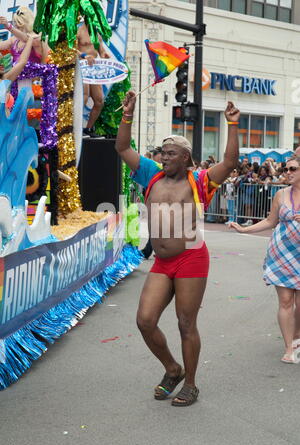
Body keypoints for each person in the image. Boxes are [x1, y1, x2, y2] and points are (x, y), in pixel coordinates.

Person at [115, 91, 240, 407]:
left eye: (170, 153)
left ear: (185, 157)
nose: (164, 157)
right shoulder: (150, 174)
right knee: (145, 320)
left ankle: (192, 384)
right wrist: (127, 114)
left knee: (186, 324)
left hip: (191, 257)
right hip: (162, 261)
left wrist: (233, 124)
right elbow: (122, 147)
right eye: (162, 153)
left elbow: (230, 162)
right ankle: (173, 368)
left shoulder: (200, 180)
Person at [229, 155, 300, 364]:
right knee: (286, 301)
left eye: (293, 169)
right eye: (286, 169)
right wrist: (243, 228)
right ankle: (289, 347)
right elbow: (270, 221)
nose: (287, 172)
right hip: (282, 253)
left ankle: (297, 336)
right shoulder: (281, 194)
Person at [77, 17, 110, 138]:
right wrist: (84, 55)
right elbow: (71, 49)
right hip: (82, 67)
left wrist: (104, 54)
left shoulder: (97, 32)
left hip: (94, 70)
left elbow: (100, 50)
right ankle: (75, 128)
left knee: (99, 100)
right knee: (83, 98)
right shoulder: (79, 30)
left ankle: (88, 129)